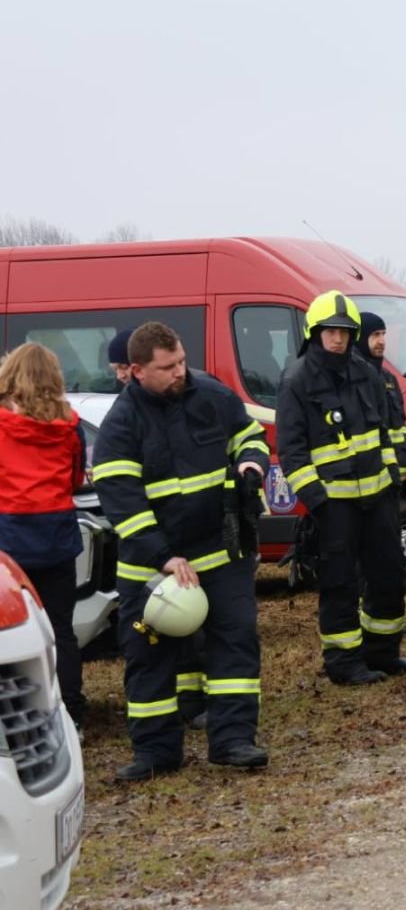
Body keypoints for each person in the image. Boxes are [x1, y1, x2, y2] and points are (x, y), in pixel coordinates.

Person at [92, 322, 269, 779]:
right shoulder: (120, 425)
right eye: (167, 367)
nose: (179, 374)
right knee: (148, 658)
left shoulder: (209, 393)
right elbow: (121, 499)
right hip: (153, 566)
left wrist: (251, 460)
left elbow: (247, 434)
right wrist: (163, 557)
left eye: (182, 362)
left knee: (236, 642)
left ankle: (233, 741)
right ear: (135, 371)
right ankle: (155, 753)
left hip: (217, 551)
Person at [276, 291, 406, 686]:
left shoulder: (367, 373)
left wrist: (393, 475)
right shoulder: (297, 379)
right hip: (334, 504)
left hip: (378, 495)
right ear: (315, 332)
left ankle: (383, 653)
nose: (338, 339)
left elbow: (388, 429)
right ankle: (344, 662)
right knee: (339, 584)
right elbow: (292, 450)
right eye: (331, 332)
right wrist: (318, 501)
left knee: (388, 575)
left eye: (345, 332)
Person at [0, 343, 87, 728]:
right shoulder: (70, 424)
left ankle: (18, 715)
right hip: (56, 536)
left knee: (11, 630)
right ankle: (71, 712)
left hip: (10, 538)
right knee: (61, 629)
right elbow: (75, 478)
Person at [357, 311, 406, 470]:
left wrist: (404, 450)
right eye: (375, 335)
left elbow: (401, 423)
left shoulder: (388, 378)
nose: (382, 341)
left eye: (383, 334)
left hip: (395, 474)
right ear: (360, 338)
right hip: (371, 474)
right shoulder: (353, 379)